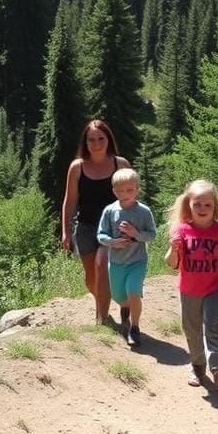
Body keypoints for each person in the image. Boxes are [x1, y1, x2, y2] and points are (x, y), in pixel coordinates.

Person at [165, 179, 218, 389]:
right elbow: (171, 264)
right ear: (189, 205)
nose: (202, 209)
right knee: (192, 329)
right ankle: (197, 366)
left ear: (215, 206)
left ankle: (217, 367)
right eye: (197, 204)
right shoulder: (181, 231)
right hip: (189, 291)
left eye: (207, 204)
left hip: (214, 289)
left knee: (212, 326)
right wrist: (173, 249)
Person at [61, 119, 131, 324]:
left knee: (103, 267)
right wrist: (65, 231)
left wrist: (134, 226)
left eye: (101, 138)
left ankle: (101, 318)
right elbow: (70, 200)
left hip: (113, 229)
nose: (96, 143)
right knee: (91, 279)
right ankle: (110, 303)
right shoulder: (77, 167)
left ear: (108, 139)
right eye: (91, 139)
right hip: (85, 227)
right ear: (85, 142)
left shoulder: (121, 164)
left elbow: (130, 197)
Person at [97, 168, 157, 346]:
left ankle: (135, 328)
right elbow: (101, 235)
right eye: (120, 190)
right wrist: (113, 242)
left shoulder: (144, 212)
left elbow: (152, 235)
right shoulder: (110, 210)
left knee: (133, 292)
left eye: (129, 190)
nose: (124, 194)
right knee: (119, 296)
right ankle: (125, 310)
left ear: (138, 189)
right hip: (116, 261)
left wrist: (135, 233)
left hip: (137, 261)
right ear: (114, 190)